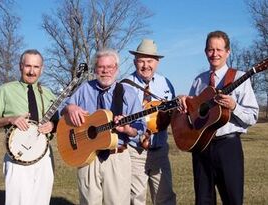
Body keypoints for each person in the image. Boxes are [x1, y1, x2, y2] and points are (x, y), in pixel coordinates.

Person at [60, 48, 146, 205]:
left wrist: (127, 129)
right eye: (101, 67)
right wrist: (70, 108)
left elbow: (140, 128)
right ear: (95, 69)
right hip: (87, 156)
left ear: (116, 69)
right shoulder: (85, 88)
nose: (105, 71)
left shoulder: (128, 92)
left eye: (110, 67)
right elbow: (62, 108)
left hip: (116, 157)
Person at [183, 30, 259, 205]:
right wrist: (185, 105)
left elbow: (253, 116)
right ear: (205, 52)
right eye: (210, 50)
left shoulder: (240, 78)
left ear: (228, 52)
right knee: (203, 200)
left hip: (228, 147)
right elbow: (193, 115)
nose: (214, 54)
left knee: (232, 199)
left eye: (219, 49)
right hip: (201, 148)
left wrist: (234, 107)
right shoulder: (198, 81)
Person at [0, 49, 57, 205]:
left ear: (42, 69)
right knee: (18, 201)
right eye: (28, 66)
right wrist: (10, 119)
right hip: (17, 155)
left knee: (41, 201)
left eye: (36, 67)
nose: (31, 71)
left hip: (44, 155)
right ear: (20, 66)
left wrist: (52, 125)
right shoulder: (5, 90)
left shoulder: (48, 93)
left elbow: (58, 123)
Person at [125, 39, 176, 205]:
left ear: (157, 62)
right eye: (141, 61)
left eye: (150, 61)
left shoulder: (166, 83)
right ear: (134, 62)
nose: (146, 65)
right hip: (135, 151)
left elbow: (173, 114)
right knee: (136, 199)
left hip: (160, 150)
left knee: (165, 197)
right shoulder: (124, 85)